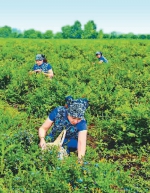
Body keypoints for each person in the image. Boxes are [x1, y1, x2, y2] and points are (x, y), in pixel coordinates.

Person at [38, 96, 89, 160]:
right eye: (73, 118)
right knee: (46, 143)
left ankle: (63, 154)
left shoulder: (82, 122)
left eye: (79, 119)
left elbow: (81, 142)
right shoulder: (58, 111)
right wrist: (42, 139)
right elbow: (43, 128)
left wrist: (80, 159)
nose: (76, 121)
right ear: (68, 113)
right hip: (55, 136)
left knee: (62, 152)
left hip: (70, 141)